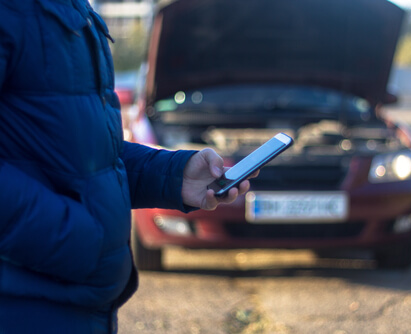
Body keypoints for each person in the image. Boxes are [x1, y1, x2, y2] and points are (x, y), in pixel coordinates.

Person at [0, 0, 251, 332]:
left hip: (73, 304)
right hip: (26, 305)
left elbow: (79, 158)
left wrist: (174, 175)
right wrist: (81, 239)